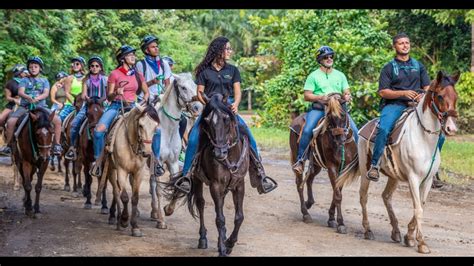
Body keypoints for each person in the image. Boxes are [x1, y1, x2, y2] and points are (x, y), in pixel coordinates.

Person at [174, 36, 277, 194]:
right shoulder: (204, 71)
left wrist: (235, 104)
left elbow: (237, 92)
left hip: (228, 107)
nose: (230, 51)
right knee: (194, 137)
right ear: (219, 50)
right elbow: (199, 93)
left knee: (249, 135)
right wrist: (207, 103)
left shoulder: (232, 70)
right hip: (210, 107)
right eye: (227, 48)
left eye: (230, 49)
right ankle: (187, 175)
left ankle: (260, 174)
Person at [366, 33, 445, 185]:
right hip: (394, 105)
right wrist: (403, 93)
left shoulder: (418, 66)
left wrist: (422, 96)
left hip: (417, 106)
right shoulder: (388, 68)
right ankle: (374, 164)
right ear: (394, 46)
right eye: (401, 43)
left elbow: (427, 88)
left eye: (407, 43)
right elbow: (383, 92)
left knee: (440, 135)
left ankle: (433, 171)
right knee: (383, 129)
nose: (405, 45)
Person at [292, 46, 359, 175]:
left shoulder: (340, 75)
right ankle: (300, 160)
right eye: (325, 57)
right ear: (320, 59)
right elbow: (307, 96)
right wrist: (321, 97)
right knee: (307, 130)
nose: (329, 59)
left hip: (339, 109)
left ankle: (358, 161)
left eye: (331, 56)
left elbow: (346, 91)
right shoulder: (313, 76)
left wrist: (347, 96)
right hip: (320, 109)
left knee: (355, 131)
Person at [90, 45, 149, 177]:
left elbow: (146, 93)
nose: (133, 56)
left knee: (154, 129)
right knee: (98, 132)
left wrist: (142, 103)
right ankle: (98, 161)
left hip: (134, 107)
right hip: (116, 106)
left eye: (134, 54)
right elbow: (109, 96)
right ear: (122, 58)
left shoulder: (138, 75)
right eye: (129, 55)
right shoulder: (114, 74)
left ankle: (154, 162)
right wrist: (116, 92)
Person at [2, 56, 63, 155]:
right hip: (25, 107)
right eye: (31, 67)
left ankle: (57, 144)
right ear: (28, 69)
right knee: (10, 121)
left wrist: (37, 99)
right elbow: (20, 92)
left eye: (35, 66)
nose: (33, 69)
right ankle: (9, 145)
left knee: (57, 120)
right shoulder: (24, 80)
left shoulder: (44, 81)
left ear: (40, 68)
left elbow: (46, 93)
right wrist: (28, 97)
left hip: (41, 107)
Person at [136, 35, 172, 177]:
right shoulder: (141, 64)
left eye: (157, 46)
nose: (156, 48)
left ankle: (180, 150)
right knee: (155, 128)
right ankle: (155, 159)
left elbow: (168, 85)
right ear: (146, 50)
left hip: (162, 100)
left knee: (182, 120)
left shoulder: (164, 63)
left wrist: (167, 98)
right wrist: (153, 82)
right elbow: (139, 87)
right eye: (153, 46)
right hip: (147, 101)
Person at [65, 56, 108, 160]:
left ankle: (112, 146)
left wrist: (102, 100)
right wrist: (89, 99)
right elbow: (84, 94)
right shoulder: (86, 80)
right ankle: (72, 147)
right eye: (92, 66)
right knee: (74, 123)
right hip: (88, 105)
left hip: (103, 105)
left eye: (97, 66)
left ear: (100, 67)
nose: (94, 68)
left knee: (115, 120)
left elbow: (108, 94)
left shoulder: (106, 79)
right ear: (89, 68)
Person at [0, 64, 29, 154]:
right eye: (24, 72)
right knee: (1, 119)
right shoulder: (10, 83)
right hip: (13, 104)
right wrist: (15, 100)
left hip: (27, 104)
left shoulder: (29, 81)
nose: (26, 73)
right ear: (19, 73)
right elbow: (8, 97)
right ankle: (6, 142)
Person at [59, 56, 86, 121]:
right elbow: (66, 93)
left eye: (77, 64)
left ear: (81, 66)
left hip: (83, 105)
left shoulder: (86, 78)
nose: (75, 65)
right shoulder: (69, 78)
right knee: (58, 120)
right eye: (73, 64)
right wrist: (74, 103)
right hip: (70, 105)